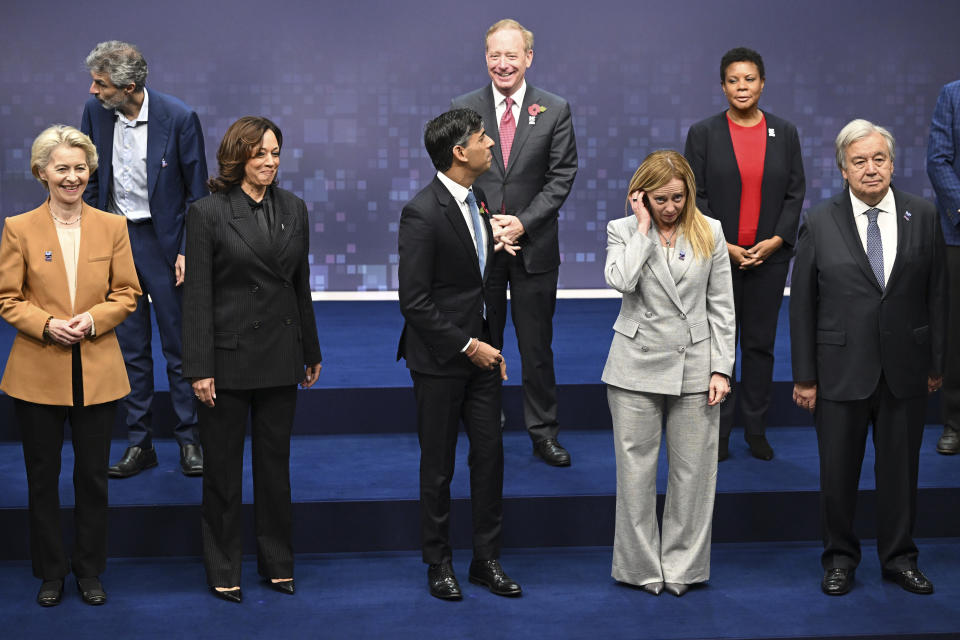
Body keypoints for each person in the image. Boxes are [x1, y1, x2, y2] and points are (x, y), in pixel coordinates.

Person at [791, 119, 946, 596]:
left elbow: (938, 294)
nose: (871, 168)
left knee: (900, 474)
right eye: (860, 161)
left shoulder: (922, 214)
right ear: (843, 169)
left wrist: (937, 363)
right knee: (838, 475)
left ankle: (900, 557)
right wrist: (804, 377)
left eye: (879, 159)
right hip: (840, 372)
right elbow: (802, 305)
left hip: (905, 370)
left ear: (893, 164)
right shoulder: (819, 221)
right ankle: (839, 559)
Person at [182, 116, 322, 603]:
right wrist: (199, 368)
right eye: (260, 153)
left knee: (274, 469)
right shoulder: (207, 213)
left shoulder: (295, 208)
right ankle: (223, 567)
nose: (269, 162)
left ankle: (278, 563)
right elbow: (197, 296)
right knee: (222, 473)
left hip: (281, 355)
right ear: (238, 156)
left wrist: (311, 349)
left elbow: (299, 285)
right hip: (227, 361)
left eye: (276, 153)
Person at [0, 125, 140, 606]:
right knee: (42, 479)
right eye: (62, 168)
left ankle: (89, 570)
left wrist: (94, 320)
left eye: (80, 167)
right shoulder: (18, 227)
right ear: (42, 173)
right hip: (38, 370)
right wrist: (45, 325)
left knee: (92, 478)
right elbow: (7, 298)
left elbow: (127, 294)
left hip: (98, 369)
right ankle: (51, 572)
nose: (73, 176)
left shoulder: (113, 227)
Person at [398, 108, 521, 600]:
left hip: (483, 359)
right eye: (482, 138)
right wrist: (469, 346)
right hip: (441, 361)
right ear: (459, 152)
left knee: (490, 459)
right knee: (440, 465)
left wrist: (492, 345)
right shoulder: (421, 212)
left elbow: (481, 284)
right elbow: (415, 301)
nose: (491, 143)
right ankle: (439, 562)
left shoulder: (481, 199)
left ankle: (485, 561)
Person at [602, 150, 735, 597]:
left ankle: (684, 568)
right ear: (640, 196)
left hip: (695, 365)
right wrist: (642, 228)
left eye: (679, 197)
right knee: (635, 477)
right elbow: (620, 281)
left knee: (693, 475)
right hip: (634, 366)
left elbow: (721, 307)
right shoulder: (622, 230)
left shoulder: (709, 231)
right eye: (660, 198)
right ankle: (639, 568)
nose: (671, 207)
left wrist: (721, 368)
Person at [452, 19, 578, 467]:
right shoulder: (463, 108)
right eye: (494, 55)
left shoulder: (554, 109)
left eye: (512, 55)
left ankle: (543, 432)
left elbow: (561, 177)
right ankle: (485, 422)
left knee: (536, 347)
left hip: (534, 247)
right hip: (482, 250)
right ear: (486, 57)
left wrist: (521, 224)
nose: (502, 64)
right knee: (484, 340)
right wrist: (489, 229)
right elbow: (457, 176)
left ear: (528, 58)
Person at [81, 40, 208, 478]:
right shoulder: (95, 113)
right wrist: (96, 240)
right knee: (131, 348)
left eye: (101, 83)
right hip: (117, 240)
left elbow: (198, 195)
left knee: (177, 346)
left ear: (128, 86)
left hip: (165, 243)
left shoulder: (179, 117)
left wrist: (189, 249)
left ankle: (189, 440)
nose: (94, 91)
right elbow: (93, 182)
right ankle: (141, 444)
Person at [684, 47, 805, 462]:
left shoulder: (784, 132)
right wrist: (726, 247)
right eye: (733, 80)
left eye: (749, 79)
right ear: (722, 86)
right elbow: (694, 196)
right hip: (719, 257)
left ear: (763, 83)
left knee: (759, 345)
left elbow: (795, 192)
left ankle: (756, 430)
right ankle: (716, 434)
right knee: (719, 346)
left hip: (769, 259)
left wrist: (775, 242)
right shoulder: (703, 134)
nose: (741, 87)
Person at [927, 79, 960, 455]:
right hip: (957, 234)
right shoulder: (952, 94)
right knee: (956, 337)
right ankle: (955, 422)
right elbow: (938, 159)